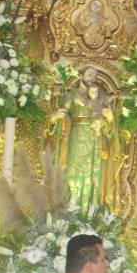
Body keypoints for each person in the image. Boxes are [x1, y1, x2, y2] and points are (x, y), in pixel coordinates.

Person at [51, 67, 116, 211]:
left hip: (97, 136)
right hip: (78, 135)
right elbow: (63, 113)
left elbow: (110, 122)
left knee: (95, 171)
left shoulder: (101, 96)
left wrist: (110, 121)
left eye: (95, 75)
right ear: (82, 75)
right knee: (75, 169)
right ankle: (72, 206)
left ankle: (92, 208)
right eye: (89, 74)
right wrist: (55, 117)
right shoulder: (73, 94)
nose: (92, 77)